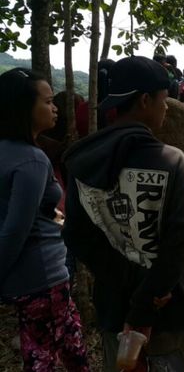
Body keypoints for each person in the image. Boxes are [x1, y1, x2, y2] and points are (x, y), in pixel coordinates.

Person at [62, 56, 184, 371]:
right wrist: (146, 300)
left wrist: (130, 286)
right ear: (145, 101)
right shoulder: (171, 162)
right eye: (163, 99)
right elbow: (176, 246)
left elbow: (77, 235)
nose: (168, 107)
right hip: (170, 306)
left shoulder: (79, 162)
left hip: (114, 307)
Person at [0, 68, 90, 372]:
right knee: (50, 353)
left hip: (25, 276)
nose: (55, 108)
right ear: (24, 108)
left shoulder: (6, 152)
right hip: (42, 273)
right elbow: (16, 228)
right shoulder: (32, 159)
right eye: (48, 101)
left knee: (59, 341)